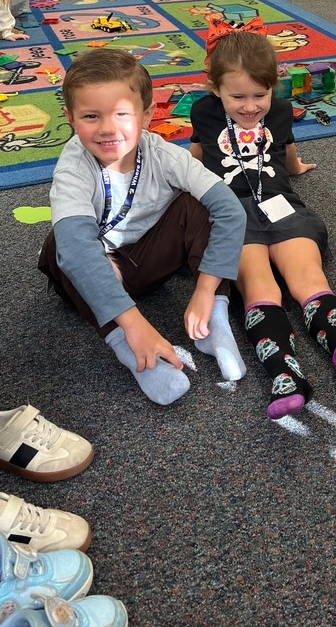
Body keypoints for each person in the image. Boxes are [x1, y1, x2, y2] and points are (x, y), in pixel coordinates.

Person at [189, 19, 336, 420]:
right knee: (260, 286)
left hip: (280, 202)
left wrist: (296, 167)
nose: (250, 106)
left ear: (273, 87)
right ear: (215, 88)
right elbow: (198, 153)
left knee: (310, 280)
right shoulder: (204, 112)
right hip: (231, 211)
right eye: (238, 96)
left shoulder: (282, 110)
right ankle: (285, 373)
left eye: (260, 95)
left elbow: (285, 146)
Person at [37, 49, 248, 406]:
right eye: (91, 116)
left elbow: (230, 210)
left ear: (147, 115)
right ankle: (131, 351)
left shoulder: (165, 155)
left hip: (149, 262)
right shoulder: (74, 168)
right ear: (70, 118)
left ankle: (213, 324)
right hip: (93, 279)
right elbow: (75, 252)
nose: (107, 129)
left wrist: (205, 291)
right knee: (65, 244)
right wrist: (135, 326)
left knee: (199, 204)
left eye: (122, 114)